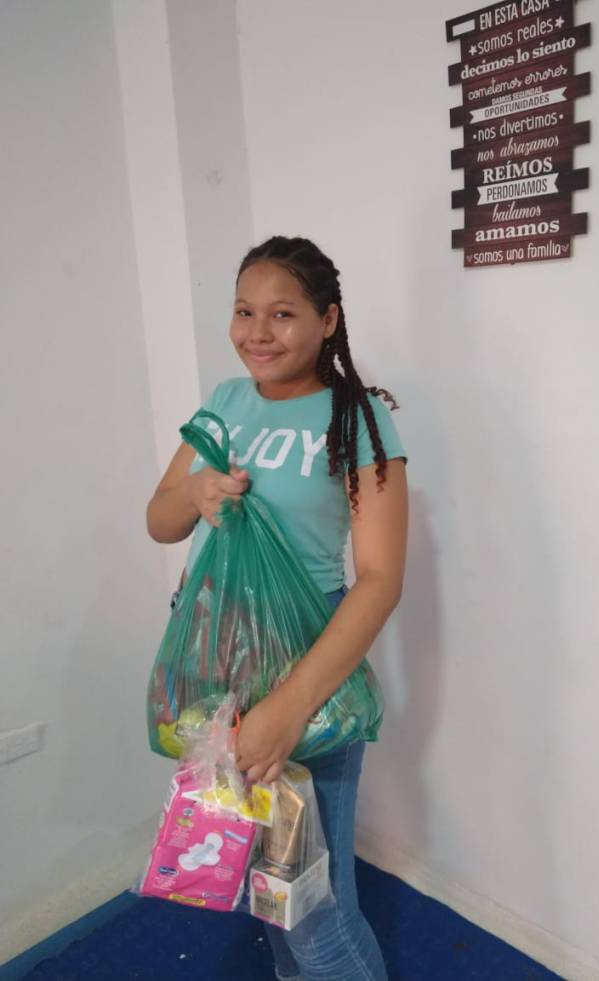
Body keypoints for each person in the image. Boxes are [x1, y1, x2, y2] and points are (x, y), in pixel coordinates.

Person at [146, 235, 408, 981]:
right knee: (262, 886)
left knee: (314, 909)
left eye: (283, 313)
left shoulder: (356, 419)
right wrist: (194, 493)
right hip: (215, 654)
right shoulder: (225, 402)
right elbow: (160, 521)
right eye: (244, 311)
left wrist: (290, 708)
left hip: (305, 659)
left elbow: (380, 579)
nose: (257, 333)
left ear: (328, 320)